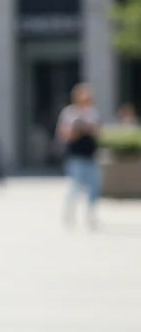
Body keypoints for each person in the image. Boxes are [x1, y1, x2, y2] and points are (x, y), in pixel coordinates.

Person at [58, 83, 102, 228]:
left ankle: (91, 214)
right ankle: (69, 213)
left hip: (90, 155)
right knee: (75, 186)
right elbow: (63, 134)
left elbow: (97, 132)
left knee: (94, 186)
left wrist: (89, 128)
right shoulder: (69, 113)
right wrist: (77, 129)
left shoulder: (93, 113)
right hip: (75, 156)